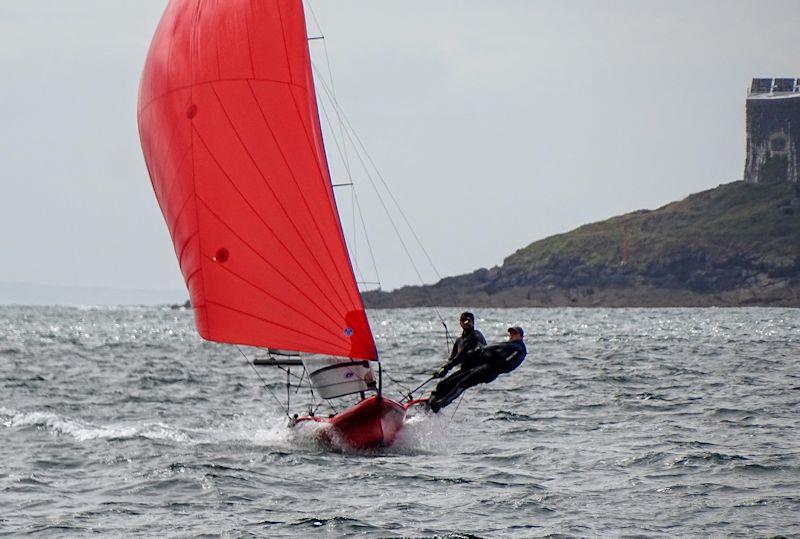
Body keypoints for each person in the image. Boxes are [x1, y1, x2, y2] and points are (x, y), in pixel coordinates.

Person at [428, 326, 527, 413]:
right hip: (485, 367)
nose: (512, 335)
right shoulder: (512, 348)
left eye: (515, 333)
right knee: (452, 381)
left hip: (489, 371)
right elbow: (498, 350)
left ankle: (439, 404)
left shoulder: (518, 345)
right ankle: (436, 400)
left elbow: (498, 346)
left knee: (462, 384)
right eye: (511, 333)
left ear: (521, 336)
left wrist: (483, 348)